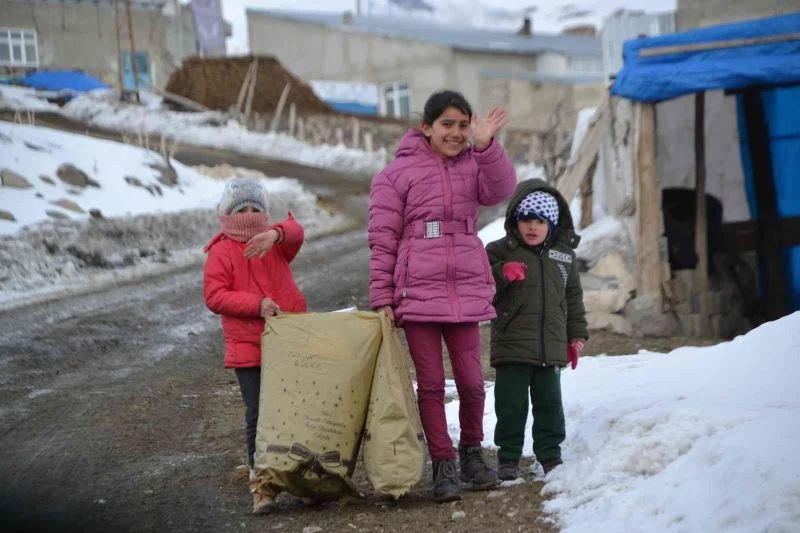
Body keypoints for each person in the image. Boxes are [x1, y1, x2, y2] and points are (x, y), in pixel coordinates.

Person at [368, 90, 517, 502]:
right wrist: (382, 297)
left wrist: (486, 146)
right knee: (431, 385)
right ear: (426, 127)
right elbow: (382, 240)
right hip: (417, 290)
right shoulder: (395, 175)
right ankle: (442, 464)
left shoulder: (475, 163)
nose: (455, 133)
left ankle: (471, 454)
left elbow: (502, 188)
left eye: (463, 125)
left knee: (472, 383)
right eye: (446, 124)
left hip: (465, 286)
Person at [203, 178, 307, 514]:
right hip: (248, 347)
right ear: (226, 213)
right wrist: (256, 304)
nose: (248, 215)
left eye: (255, 208)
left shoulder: (275, 243)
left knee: (295, 409)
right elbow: (214, 296)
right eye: (241, 209)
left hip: (288, 341)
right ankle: (262, 483)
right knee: (259, 414)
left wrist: (274, 234)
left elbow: (296, 231)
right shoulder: (220, 251)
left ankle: (300, 478)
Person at [485, 179, 588, 480]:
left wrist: (575, 336)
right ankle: (508, 458)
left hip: (550, 345)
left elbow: (572, 298)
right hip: (512, 344)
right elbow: (481, 285)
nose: (532, 226)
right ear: (515, 220)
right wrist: (501, 274)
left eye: (540, 221)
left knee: (550, 405)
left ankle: (550, 455)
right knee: (511, 405)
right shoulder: (499, 251)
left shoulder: (564, 256)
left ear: (552, 224)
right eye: (526, 219)